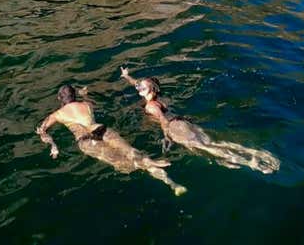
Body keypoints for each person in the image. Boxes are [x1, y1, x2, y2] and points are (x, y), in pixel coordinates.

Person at [120, 67, 280, 174]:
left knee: (206, 148)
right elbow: (136, 83)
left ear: (151, 90)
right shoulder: (158, 99)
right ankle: (254, 152)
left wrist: (166, 135)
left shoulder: (151, 107)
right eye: (139, 86)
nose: (139, 88)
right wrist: (127, 76)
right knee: (211, 143)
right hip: (183, 121)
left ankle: (250, 163)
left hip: (175, 127)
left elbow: (162, 120)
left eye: (142, 87)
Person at [36, 84, 187, 195]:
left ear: (59, 98)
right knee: (132, 152)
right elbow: (89, 101)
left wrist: (53, 145)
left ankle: (166, 180)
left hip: (86, 140)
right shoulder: (86, 104)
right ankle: (169, 181)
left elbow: (42, 131)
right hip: (102, 130)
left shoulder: (57, 114)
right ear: (74, 96)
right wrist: (84, 94)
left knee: (123, 164)